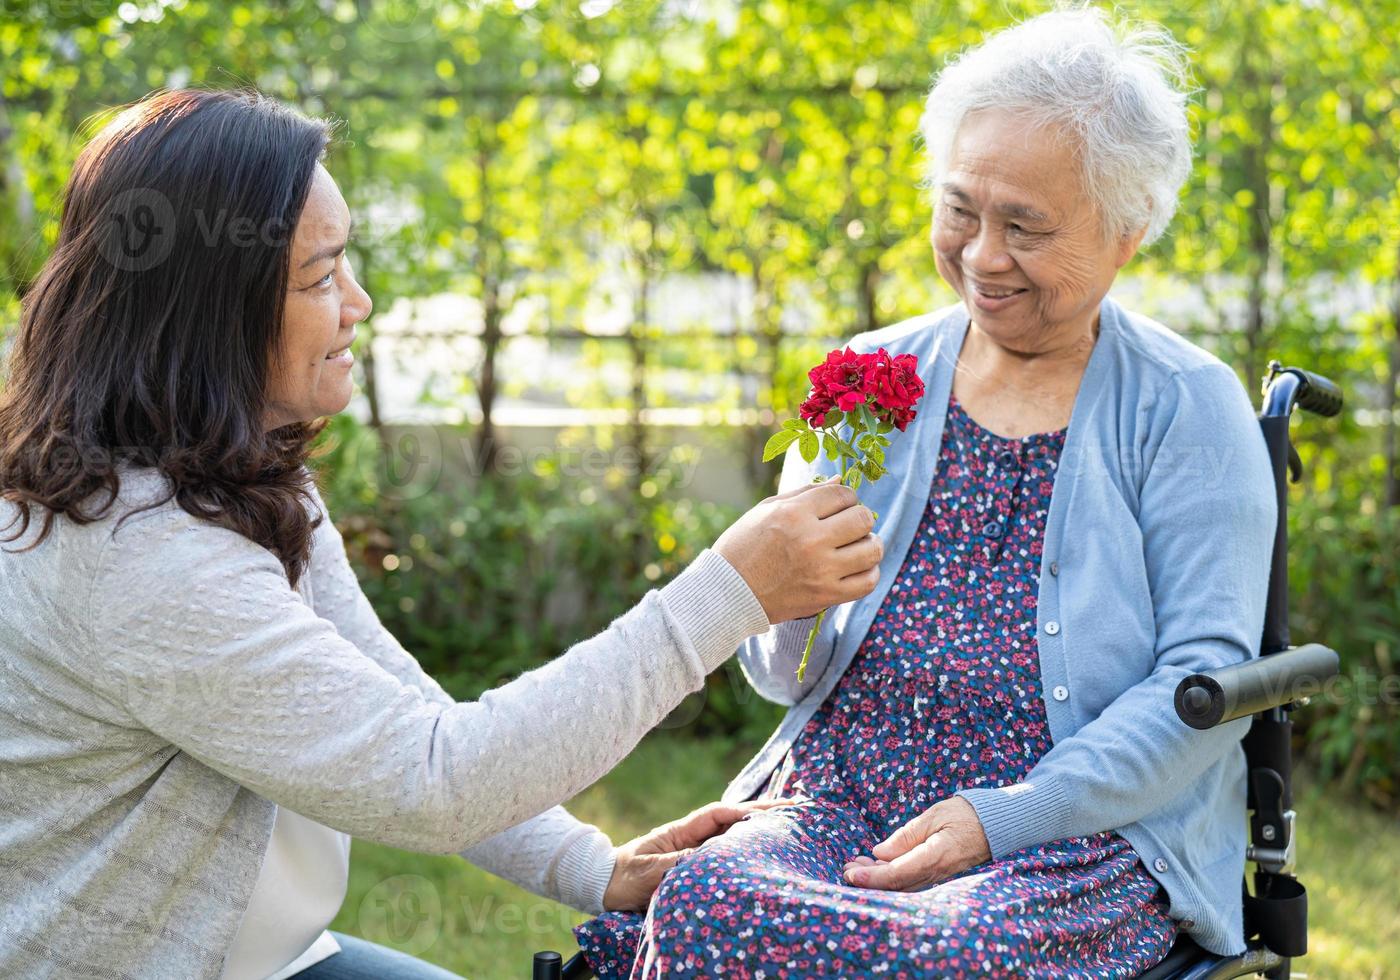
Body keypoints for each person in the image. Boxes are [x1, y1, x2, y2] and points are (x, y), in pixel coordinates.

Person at [0, 88, 884, 979]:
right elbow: (434, 781)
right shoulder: (141, 558)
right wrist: (725, 595)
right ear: (206, 311)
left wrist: (595, 869)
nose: (360, 301)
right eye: (319, 276)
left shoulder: (236, 479)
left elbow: (407, 716)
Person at [575, 7, 1276, 977]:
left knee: (959, 952)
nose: (984, 256)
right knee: (708, 894)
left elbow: (1205, 681)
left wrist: (1004, 814)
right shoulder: (869, 376)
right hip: (840, 791)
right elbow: (783, 675)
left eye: (1025, 226)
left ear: (1128, 231)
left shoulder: (1186, 404)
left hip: (1072, 824)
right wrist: (781, 592)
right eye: (961, 210)